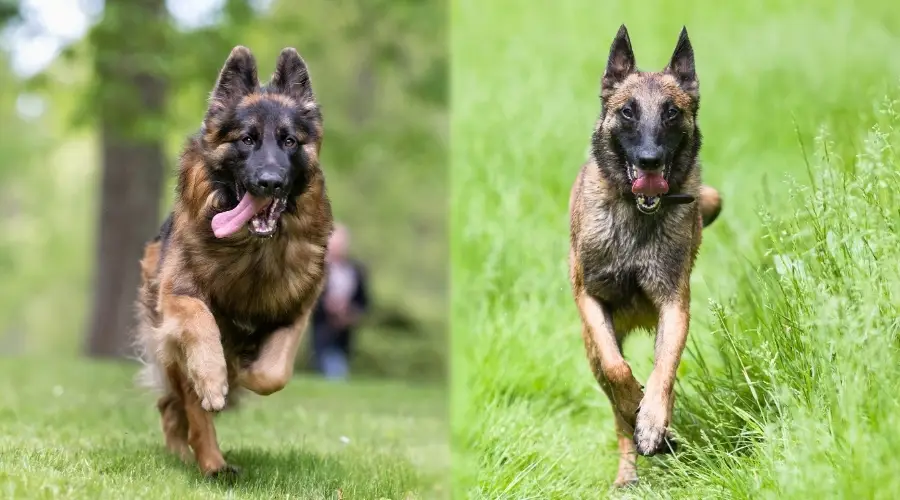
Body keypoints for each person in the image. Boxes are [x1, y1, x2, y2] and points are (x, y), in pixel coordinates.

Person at [311, 223, 369, 379]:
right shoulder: (317, 269)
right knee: (331, 368)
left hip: (345, 334)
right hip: (322, 331)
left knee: (338, 364)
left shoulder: (356, 270)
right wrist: (328, 306)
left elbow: (364, 302)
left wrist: (350, 313)